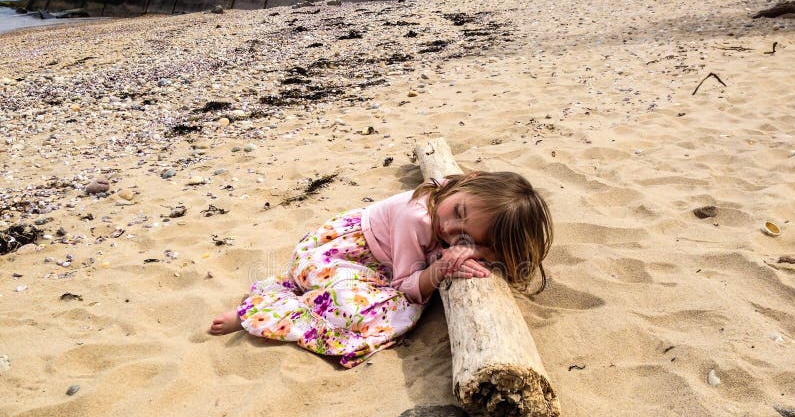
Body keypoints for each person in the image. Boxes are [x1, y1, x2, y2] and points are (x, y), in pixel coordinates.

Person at [209, 171, 552, 368]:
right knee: (387, 313)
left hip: (374, 259)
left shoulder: (464, 198)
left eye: (465, 235)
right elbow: (405, 285)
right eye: (457, 211)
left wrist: (477, 249)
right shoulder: (417, 218)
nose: (449, 227)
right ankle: (260, 312)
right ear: (467, 182)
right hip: (340, 255)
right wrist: (441, 270)